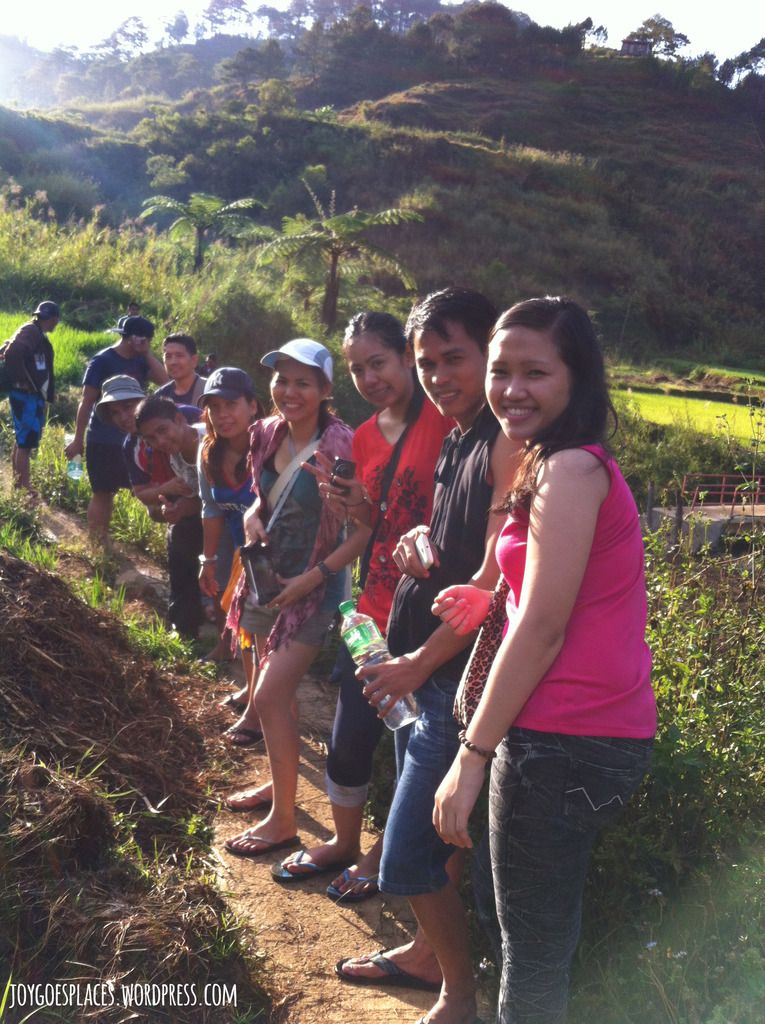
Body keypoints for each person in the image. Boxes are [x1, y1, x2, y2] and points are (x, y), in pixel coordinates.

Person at [431, 297, 656, 1024]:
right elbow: (548, 595)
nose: (510, 389)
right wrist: (483, 595)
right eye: (500, 370)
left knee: (529, 953)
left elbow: (544, 629)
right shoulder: (552, 463)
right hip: (568, 733)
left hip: (564, 738)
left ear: (576, 379)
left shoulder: (571, 469)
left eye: (535, 372)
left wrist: (471, 753)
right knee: (517, 934)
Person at [335, 288, 519, 1009]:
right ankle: (422, 953)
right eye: (427, 362)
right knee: (427, 836)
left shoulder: (503, 441)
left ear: (489, 355)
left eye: (456, 359)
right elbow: (460, 553)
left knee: (409, 855)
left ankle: (458, 994)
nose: (440, 376)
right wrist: (419, 545)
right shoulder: (456, 435)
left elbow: (492, 581)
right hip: (426, 670)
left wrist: (415, 663)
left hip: (451, 678)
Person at [266, 311, 451, 899]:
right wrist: (353, 508)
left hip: (429, 617)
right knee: (349, 738)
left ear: (406, 357)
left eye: (380, 363)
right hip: (370, 611)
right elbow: (373, 525)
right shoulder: (367, 435)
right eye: (357, 369)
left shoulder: (448, 424)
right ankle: (343, 842)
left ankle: (381, 855)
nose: (370, 377)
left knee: (413, 747)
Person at [221, 338, 370, 860]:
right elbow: (259, 498)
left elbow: (362, 531)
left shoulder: (342, 447)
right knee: (271, 693)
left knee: (266, 697)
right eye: (281, 380)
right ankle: (277, 784)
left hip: (312, 593)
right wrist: (251, 517)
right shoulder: (266, 433)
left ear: (326, 389)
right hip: (265, 581)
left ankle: (283, 821)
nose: (290, 391)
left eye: (303, 382)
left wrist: (313, 578)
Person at [196, 367, 264, 718]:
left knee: (259, 629)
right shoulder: (208, 452)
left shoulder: (270, 446)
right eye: (214, 407)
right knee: (244, 626)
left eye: (231, 404)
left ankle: (258, 707)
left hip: (275, 556)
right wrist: (207, 562)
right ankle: (253, 692)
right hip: (242, 554)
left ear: (253, 405)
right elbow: (211, 509)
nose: (222, 415)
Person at [64, 315, 168, 542]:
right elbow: (87, 400)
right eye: (146, 340)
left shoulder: (142, 361)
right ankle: (97, 545)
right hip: (102, 439)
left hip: (134, 439)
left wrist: (147, 355)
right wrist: (78, 439)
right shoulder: (102, 361)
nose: (147, 344)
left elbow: (166, 382)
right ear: (133, 338)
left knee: (148, 490)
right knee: (103, 492)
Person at [134, 394, 206, 640]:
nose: (160, 441)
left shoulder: (209, 440)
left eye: (163, 431)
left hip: (239, 515)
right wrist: (180, 510)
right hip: (214, 514)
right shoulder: (174, 454)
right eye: (151, 438)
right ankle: (186, 624)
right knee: (178, 535)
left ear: (179, 419)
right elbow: (200, 499)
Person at [3, 300, 59, 497]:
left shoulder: (35, 332)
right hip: (25, 396)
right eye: (54, 320)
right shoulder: (31, 331)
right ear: (54, 319)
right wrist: (22, 380)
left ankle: (19, 485)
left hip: (30, 395)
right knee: (25, 443)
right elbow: (13, 353)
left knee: (22, 441)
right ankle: (24, 487)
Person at [155, 333, 207, 407]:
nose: (173, 362)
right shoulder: (160, 396)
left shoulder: (208, 390)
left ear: (194, 360)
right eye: (168, 356)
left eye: (179, 355)